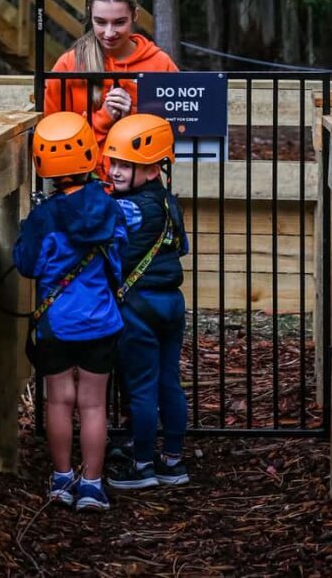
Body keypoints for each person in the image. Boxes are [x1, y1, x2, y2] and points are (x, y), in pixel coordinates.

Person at [13, 111, 127, 511]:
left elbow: (27, 265)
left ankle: (62, 480)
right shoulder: (109, 208)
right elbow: (119, 260)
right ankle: (92, 485)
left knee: (59, 400)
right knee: (94, 404)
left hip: (56, 323)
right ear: (89, 152)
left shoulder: (44, 218)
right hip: (100, 320)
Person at [102, 113, 190, 489]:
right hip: (172, 302)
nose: (117, 172)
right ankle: (173, 460)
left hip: (138, 305)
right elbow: (181, 247)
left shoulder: (126, 208)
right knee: (169, 382)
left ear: (153, 170)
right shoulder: (170, 204)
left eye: (128, 165)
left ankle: (140, 466)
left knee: (140, 386)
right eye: (115, 162)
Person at [44, 0, 178, 179]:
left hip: (139, 189)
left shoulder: (159, 63)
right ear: (90, 15)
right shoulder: (69, 65)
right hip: (81, 184)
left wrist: (131, 115)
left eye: (119, 22)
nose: (109, 33)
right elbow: (51, 138)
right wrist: (104, 117)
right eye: (100, 22)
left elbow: (174, 133)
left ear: (135, 15)